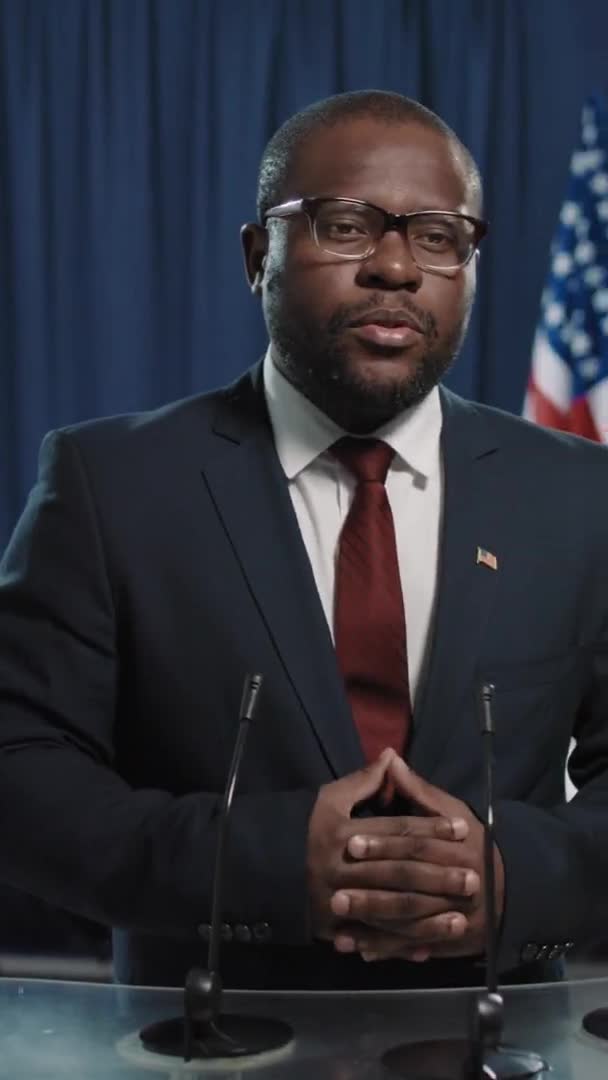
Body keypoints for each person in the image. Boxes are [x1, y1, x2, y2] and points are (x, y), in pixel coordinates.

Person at [0, 89, 607, 992]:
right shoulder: (110, 485)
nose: (396, 268)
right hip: (203, 1043)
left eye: (439, 236)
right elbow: (21, 774)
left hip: (503, 1037)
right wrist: (266, 862)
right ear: (259, 256)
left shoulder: (581, 493)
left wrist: (517, 875)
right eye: (349, 225)